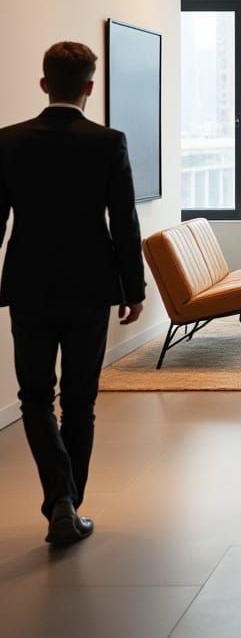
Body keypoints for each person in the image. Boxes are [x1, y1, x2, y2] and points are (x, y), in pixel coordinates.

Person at [0, 42, 145, 545]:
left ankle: (60, 500)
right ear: (89, 87)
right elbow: (124, 221)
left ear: (44, 84)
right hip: (91, 287)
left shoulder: (8, 141)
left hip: (28, 287)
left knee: (34, 398)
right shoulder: (107, 142)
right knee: (79, 403)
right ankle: (68, 504)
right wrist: (134, 287)